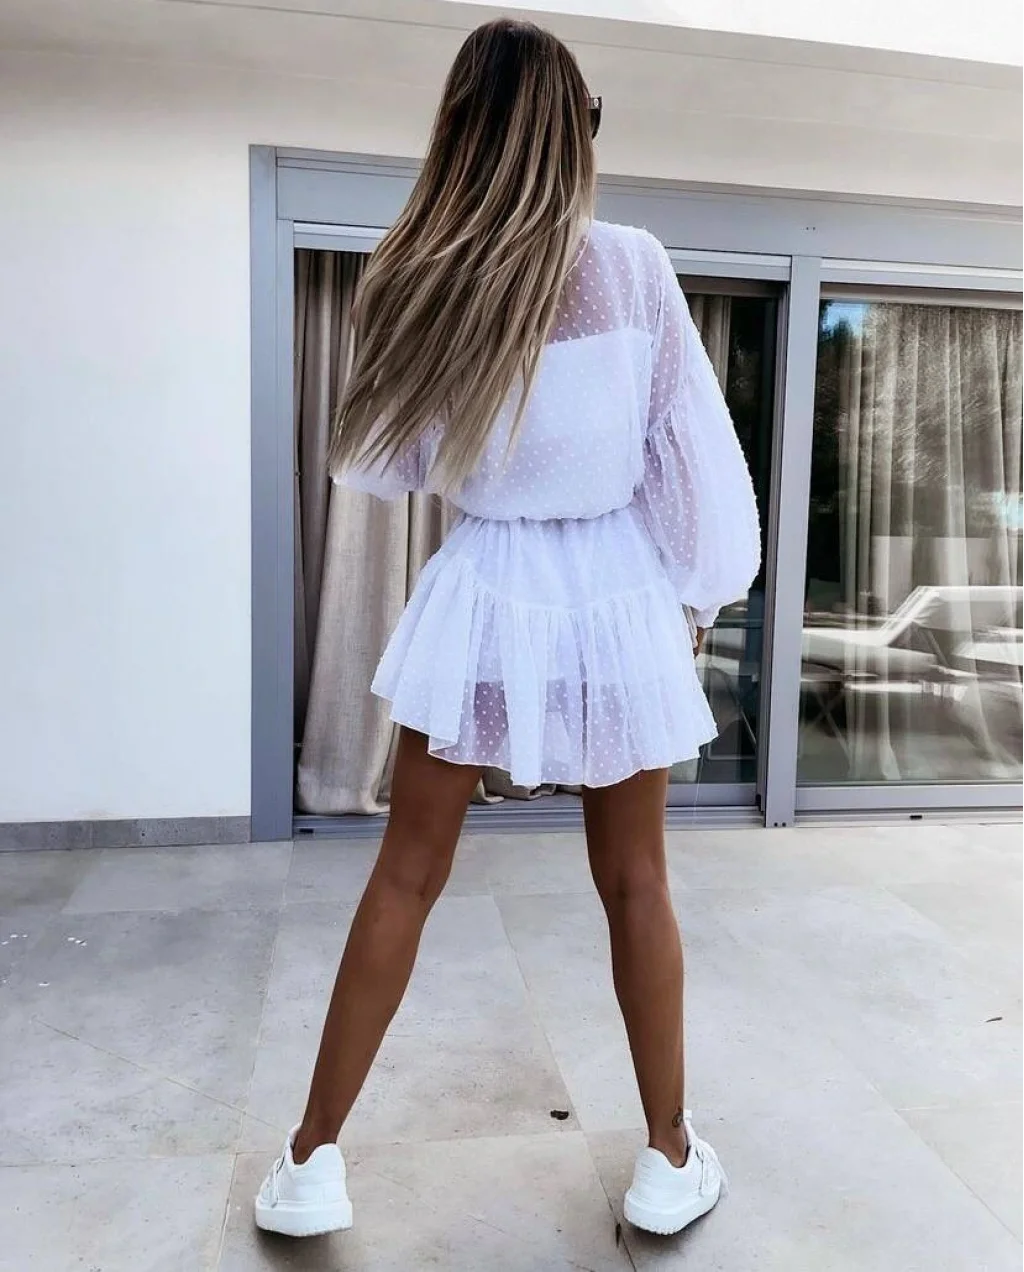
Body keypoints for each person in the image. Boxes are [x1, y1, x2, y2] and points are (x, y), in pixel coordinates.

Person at [255, 17, 760, 1242]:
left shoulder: (413, 273)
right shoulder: (632, 265)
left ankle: (312, 1160)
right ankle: (667, 1156)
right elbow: (688, 458)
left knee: (406, 871)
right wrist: (694, 600)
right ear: (571, 132)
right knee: (635, 881)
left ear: (459, 132)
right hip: (615, 594)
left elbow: (388, 465)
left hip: (484, 589)